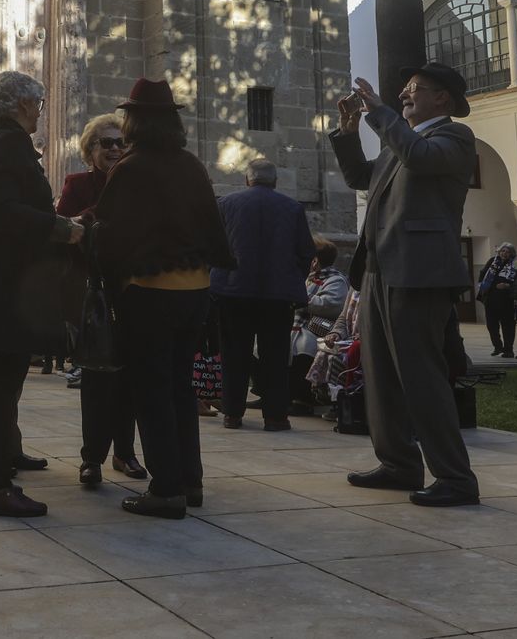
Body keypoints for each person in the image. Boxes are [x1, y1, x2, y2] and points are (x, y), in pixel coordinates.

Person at [330, 62, 480, 508]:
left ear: (442, 98)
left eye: (415, 88)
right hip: (379, 271)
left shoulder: (453, 137)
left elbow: (420, 157)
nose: (404, 94)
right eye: (405, 88)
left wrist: (379, 113)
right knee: (379, 375)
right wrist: (348, 133)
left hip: (419, 274)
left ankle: (455, 477)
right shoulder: (403, 142)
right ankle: (398, 463)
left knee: (420, 376)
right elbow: (360, 178)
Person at [0, 71, 84, 518]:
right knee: (2, 386)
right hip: (6, 289)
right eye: (38, 105)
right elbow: (0, 208)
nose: (40, 113)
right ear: (21, 105)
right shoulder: (10, 142)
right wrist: (60, 228)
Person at [94, 78, 234, 519]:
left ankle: (167, 489)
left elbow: (110, 233)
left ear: (134, 122)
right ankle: (190, 481)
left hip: (149, 294)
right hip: (195, 291)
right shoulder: (191, 165)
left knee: (151, 391)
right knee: (180, 388)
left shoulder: (131, 168)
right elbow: (213, 227)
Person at [60, 114, 146, 485]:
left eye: (120, 143)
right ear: (90, 150)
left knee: (129, 377)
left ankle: (124, 453)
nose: (114, 149)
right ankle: (92, 458)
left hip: (134, 291)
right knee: (96, 379)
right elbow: (63, 230)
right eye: (106, 143)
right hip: (93, 293)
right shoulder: (78, 184)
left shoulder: (138, 183)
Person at [212, 158, 315, 432]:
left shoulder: (226, 204)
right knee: (276, 356)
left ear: (247, 179)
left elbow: (214, 247)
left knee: (234, 354)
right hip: (277, 295)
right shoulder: (292, 208)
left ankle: (232, 413)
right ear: (275, 181)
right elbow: (306, 251)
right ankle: (275, 416)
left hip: (233, 291)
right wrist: (292, 278)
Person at [291, 236, 350, 413]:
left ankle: (304, 400)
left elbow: (331, 304)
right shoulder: (305, 277)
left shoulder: (336, 280)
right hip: (296, 326)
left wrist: (300, 298)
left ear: (315, 261)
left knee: (303, 350)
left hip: (314, 330)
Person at [477, 242, 517, 357]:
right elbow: (482, 273)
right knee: (491, 325)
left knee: (508, 326)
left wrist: (507, 286)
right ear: (499, 252)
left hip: (507, 300)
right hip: (491, 299)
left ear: (511, 254)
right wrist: (482, 286)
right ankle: (497, 346)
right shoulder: (492, 261)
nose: (504, 253)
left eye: (508, 252)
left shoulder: (514, 265)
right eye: (503, 251)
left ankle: (508, 350)